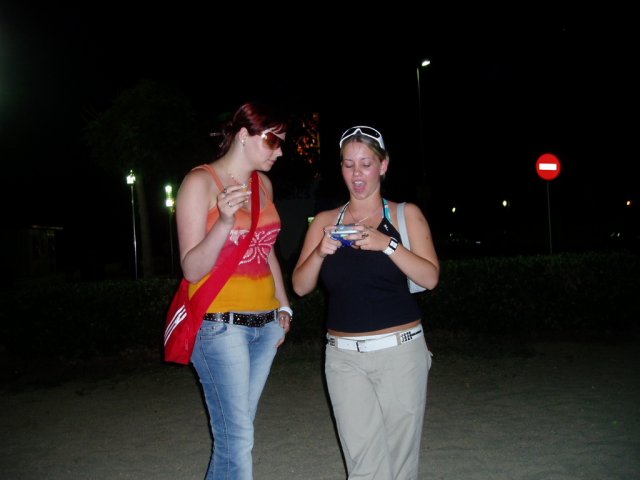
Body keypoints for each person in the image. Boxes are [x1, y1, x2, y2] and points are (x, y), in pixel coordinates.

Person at [292, 125, 440, 479]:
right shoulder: (326, 221)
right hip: (344, 359)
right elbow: (299, 286)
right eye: (348, 164)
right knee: (363, 466)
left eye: (366, 163)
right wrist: (320, 252)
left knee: (400, 463)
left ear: (383, 165)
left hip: (400, 354)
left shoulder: (405, 215)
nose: (356, 173)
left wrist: (386, 244)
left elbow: (430, 277)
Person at [175, 101, 293, 480]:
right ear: (244, 135)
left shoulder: (264, 185)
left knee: (235, 435)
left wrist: (284, 306)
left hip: (266, 326)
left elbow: (266, 249)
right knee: (237, 438)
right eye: (272, 140)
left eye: (281, 143)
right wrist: (224, 221)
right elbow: (192, 269)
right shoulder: (200, 183)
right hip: (219, 326)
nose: (279, 151)